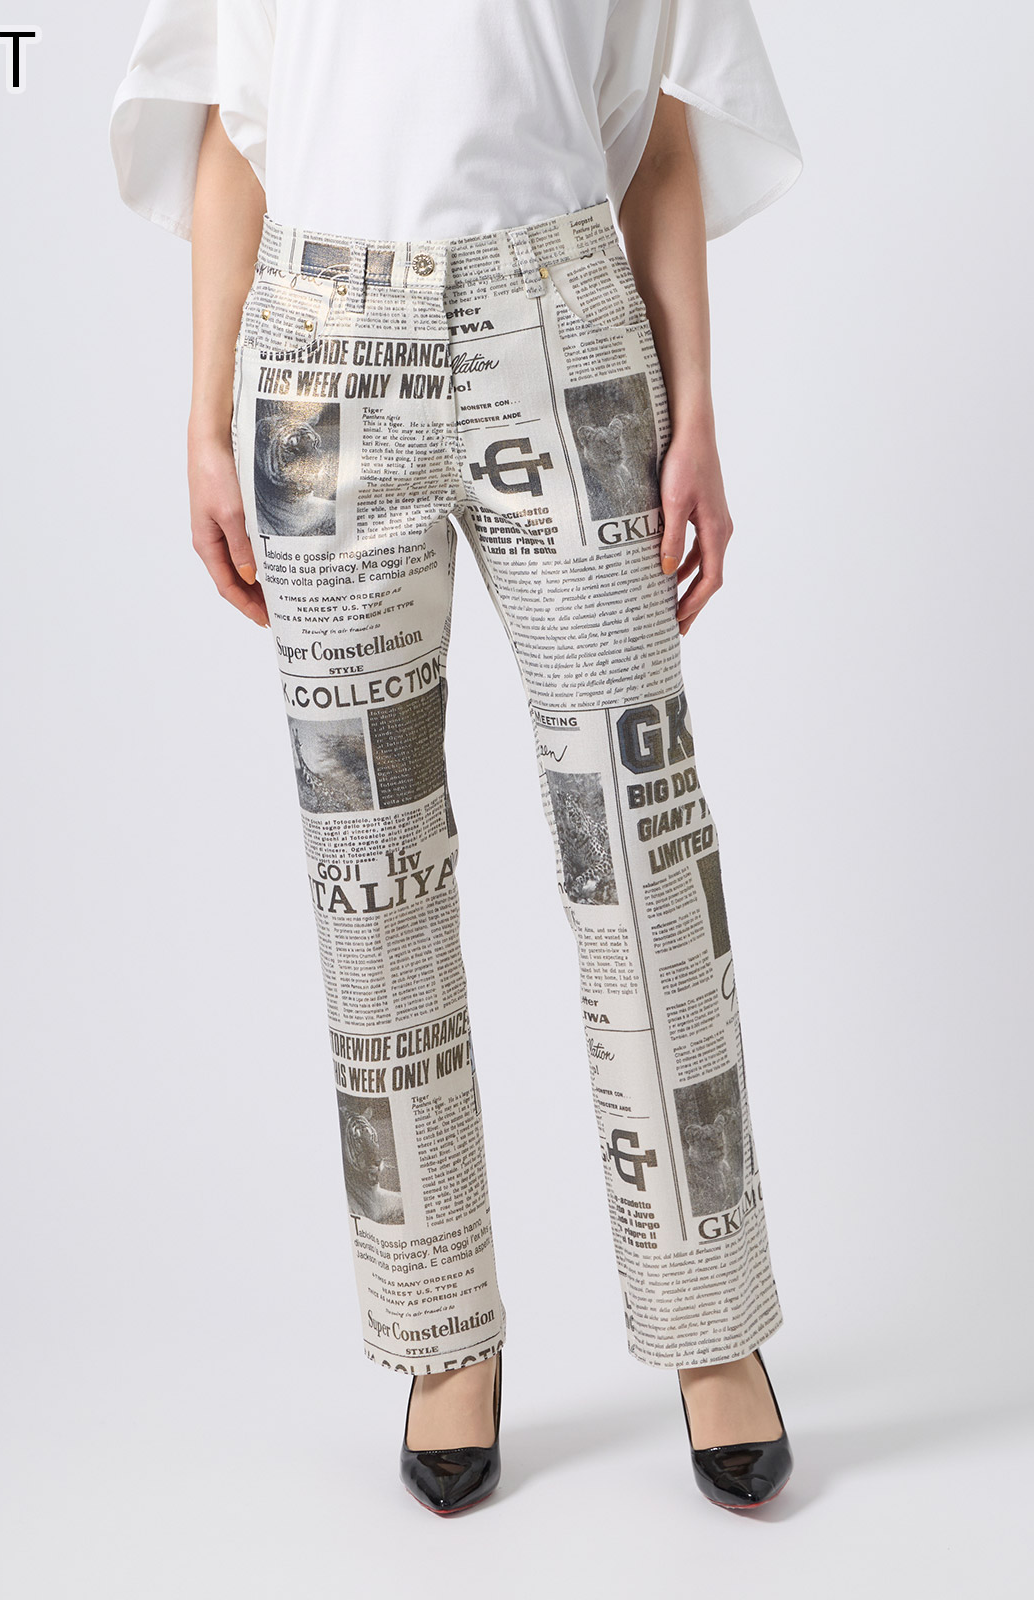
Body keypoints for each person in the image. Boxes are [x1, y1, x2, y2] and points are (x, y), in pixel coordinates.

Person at [109, 0, 803, 1515]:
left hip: (564, 332)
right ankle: (442, 1338)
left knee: (643, 849)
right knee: (373, 875)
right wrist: (205, 421)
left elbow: (661, 135)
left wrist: (696, 410)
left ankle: (711, 1326)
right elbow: (233, 130)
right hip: (323, 353)